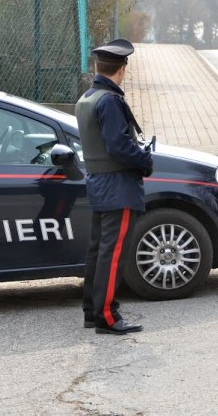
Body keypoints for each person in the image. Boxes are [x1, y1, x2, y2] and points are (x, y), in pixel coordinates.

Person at [75, 38, 153, 335]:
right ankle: (106, 316)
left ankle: (91, 310)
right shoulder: (109, 101)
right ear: (122, 69)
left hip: (99, 183)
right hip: (118, 185)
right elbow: (119, 146)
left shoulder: (88, 98)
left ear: (98, 66)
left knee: (98, 251)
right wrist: (145, 160)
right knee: (113, 252)